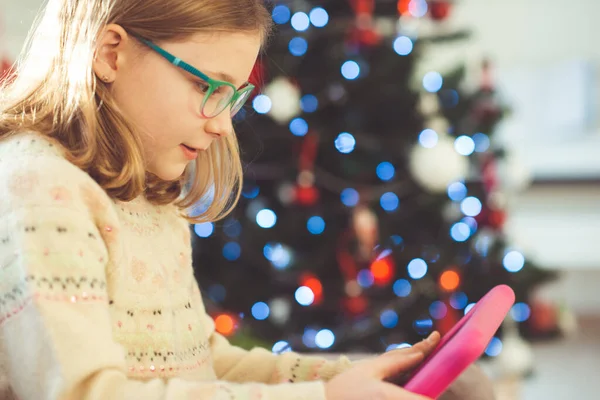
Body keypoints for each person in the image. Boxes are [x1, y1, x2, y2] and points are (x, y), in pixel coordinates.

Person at [0, 1, 494, 399]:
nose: (221, 123)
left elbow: (204, 362)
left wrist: (352, 376)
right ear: (111, 54)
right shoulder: (42, 190)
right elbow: (83, 391)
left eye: (233, 96)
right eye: (206, 86)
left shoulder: (147, 188)